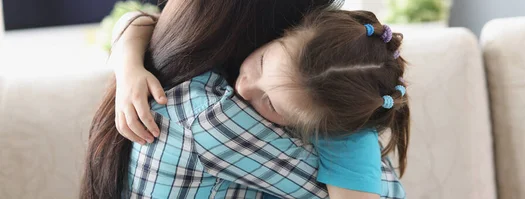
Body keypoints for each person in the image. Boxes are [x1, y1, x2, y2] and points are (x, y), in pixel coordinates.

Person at [81, 1, 408, 199]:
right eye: (264, 62)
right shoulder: (213, 116)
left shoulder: (190, 61)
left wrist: (127, 65)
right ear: (283, 30)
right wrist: (352, 132)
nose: (245, 86)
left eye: (272, 105)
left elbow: (142, 19)